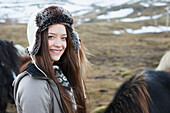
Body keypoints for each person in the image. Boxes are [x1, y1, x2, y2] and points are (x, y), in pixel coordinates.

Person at [13, 5, 89, 113]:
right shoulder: (33, 85)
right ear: (37, 41)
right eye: (51, 37)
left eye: (63, 38)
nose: (59, 44)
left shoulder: (57, 75)